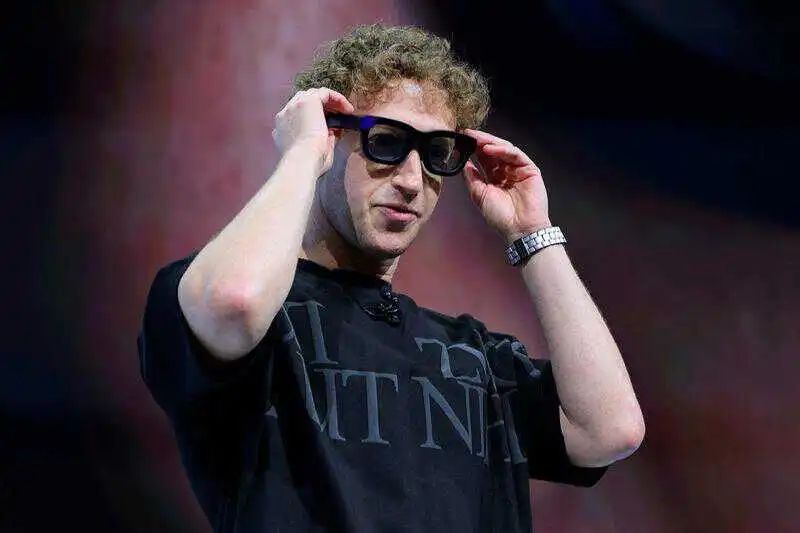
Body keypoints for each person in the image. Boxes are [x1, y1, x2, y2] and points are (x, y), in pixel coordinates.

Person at [137, 23, 644, 533]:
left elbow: (610, 430)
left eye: (436, 153)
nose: (411, 181)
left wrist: (533, 233)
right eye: (385, 142)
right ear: (329, 137)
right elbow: (235, 302)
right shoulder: (239, 311)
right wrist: (301, 153)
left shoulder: (472, 356)